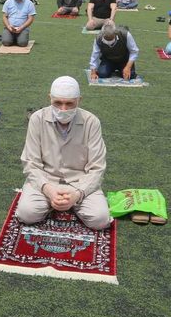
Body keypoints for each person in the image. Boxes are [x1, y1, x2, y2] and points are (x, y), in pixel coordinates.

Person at [16, 76, 111, 231]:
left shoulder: (91, 122)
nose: (63, 109)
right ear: (50, 98)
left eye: (69, 104)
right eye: (58, 103)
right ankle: (55, 202)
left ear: (79, 100)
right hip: (47, 180)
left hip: (80, 182)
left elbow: (97, 168)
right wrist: (48, 190)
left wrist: (77, 194)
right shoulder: (37, 119)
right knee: (27, 214)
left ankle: (63, 204)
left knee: (100, 220)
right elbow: (30, 163)